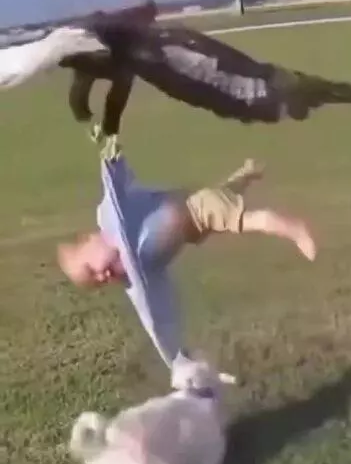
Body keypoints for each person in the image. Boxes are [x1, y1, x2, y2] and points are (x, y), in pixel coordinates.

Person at [57, 153, 316, 370]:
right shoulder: (134, 274)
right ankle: (248, 172)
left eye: (93, 269)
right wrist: (175, 358)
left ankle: (295, 229)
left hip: (194, 208)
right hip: (194, 226)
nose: (102, 277)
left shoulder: (112, 219)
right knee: (223, 197)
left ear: (91, 240)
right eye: (97, 282)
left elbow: (114, 184)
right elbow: (152, 314)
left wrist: (111, 155)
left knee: (248, 220)